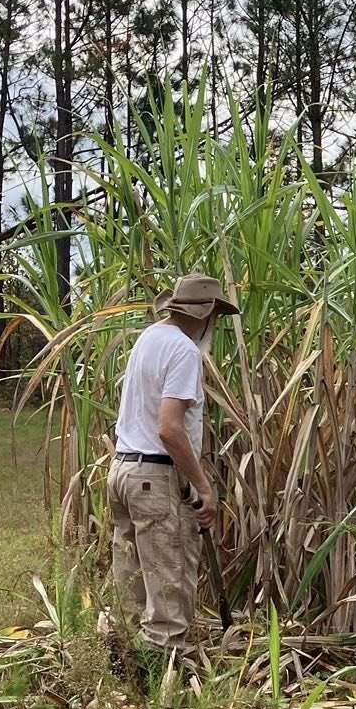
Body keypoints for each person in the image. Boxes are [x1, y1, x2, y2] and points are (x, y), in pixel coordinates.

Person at [107, 273, 238, 658]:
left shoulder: (149, 338)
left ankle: (124, 673)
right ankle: (162, 680)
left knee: (131, 591)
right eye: (217, 317)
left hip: (124, 472)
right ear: (207, 314)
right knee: (169, 592)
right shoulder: (184, 350)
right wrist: (203, 486)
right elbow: (169, 428)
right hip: (155, 481)